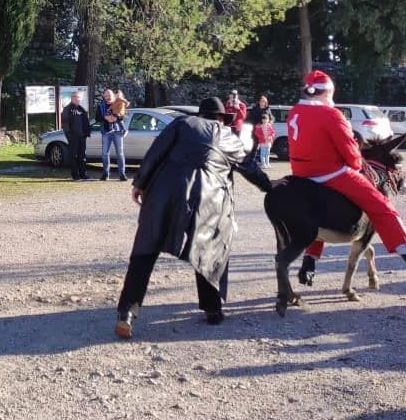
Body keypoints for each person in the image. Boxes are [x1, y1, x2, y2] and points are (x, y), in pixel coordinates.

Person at [115, 97, 271, 338]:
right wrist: (271, 187)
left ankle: (127, 313)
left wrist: (140, 183)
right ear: (222, 118)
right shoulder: (229, 137)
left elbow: (156, 152)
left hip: (164, 192)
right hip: (208, 198)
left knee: (145, 251)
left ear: (200, 114)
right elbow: (250, 168)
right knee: (210, 246)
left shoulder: (182, 124)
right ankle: (213, 309)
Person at [288, 70, 406, 287]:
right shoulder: (331, 114)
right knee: (382, 206)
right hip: (330, 173)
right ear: (326, 91)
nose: (332, 97)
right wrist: (355, 165)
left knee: (317, 214)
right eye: (331, 93)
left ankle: (310, 261)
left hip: (300, 174)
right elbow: (352, 155)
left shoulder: (295, 112)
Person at [96, 88, 128, 182]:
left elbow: (124, 116)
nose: (107, 97)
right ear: (104, 97)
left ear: (113, 96)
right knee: (105, 154)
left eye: (109, 95)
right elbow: (97, 118)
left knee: (120, 153)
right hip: (106, 132)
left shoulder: (119, 103)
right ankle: (106, 174)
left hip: (117, 131)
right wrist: (105, 117)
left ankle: (122, 174)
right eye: (106, 96)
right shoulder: (101, 106)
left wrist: (116, 118)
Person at [61, 91, 91, 181]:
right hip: (73, 137)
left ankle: (83, 174)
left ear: (80, 98)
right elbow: (65, 124)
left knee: (82, 156)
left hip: (82, 137)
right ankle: (75, 175)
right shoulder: (67, 109)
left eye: (78, 97)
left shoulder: (82, 109)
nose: (76, 98)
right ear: (71, 97)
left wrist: (87, 134)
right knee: (73, 156)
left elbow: (86, 123)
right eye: (74, 96)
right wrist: (69, 136)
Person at [247, 95, 275, 168]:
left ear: (266, 102)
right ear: (259, 102)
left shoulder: (268, 109)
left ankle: (263, 162)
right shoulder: (254, 109)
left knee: (265, 149)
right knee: (255, 146)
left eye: (264, 101)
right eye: (261, 101)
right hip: (257, 130)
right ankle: (252, 161)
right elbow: (250, 119)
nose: (263, 103)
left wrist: (270, 122)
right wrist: (257, 125)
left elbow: (272, 118)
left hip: (266, 131)